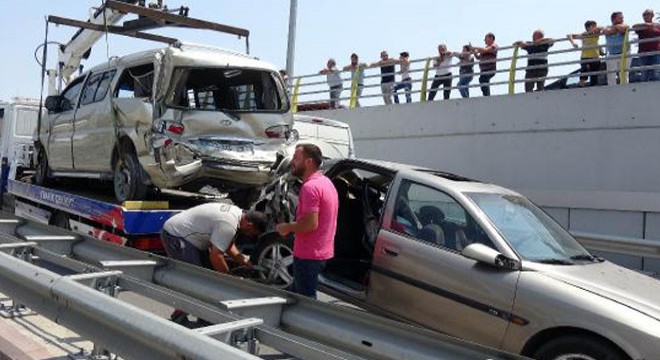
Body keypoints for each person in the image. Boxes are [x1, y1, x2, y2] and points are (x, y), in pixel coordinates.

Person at [161, 203, 267, 323]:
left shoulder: (237, 214)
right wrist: (229, 278)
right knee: (196, 279)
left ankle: (203, 315)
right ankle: (182, 315)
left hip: (189, 235)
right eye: (252, 233)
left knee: (206, 277)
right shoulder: (229, 223)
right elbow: (216, 256)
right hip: (176, 235)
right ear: (249, 224)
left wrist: (243, 260)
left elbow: (226, 244)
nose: (249, 236)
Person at [275, 144, 338, 299]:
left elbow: (310, 224)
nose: (292, 162)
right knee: (294, 294)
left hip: (308, 255)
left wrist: (287, 227)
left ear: (308, 162)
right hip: (321, 253)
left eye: (297, 158)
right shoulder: (326, 183)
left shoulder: (310, 187)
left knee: (306, 302)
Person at [568, 21, 604, 87]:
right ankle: (581, 84)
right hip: (585, 57)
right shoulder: (583, 35)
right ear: (587, 27)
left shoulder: (596, 33)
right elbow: (569, 35)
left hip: (595, 56)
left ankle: (593, 87)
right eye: (593, 26)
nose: (595, 27)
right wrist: (573, 43)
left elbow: (601, 27)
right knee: (585, 70)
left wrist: (590, 32)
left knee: (594, 75)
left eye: (595, 26)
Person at [633, 9, 660, 82]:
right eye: (644, 15)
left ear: (652, 16)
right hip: (644, 53)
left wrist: (652, 26)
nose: (646, 16)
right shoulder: (641, 27)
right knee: (645, 73)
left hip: (656, 52)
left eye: (648, 14)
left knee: (656, 73)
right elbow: (634, 27)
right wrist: (647, 25)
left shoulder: (657, 26)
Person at [603, 12, 630, 85]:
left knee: (624, 75)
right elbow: (606, 31)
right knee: (611, 75)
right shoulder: (607, 27)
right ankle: (613, 92)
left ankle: (625, 90)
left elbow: (624, 28)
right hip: (612, 54)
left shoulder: (625, 25)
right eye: (620, 18)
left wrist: (615, 28)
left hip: (624, 53)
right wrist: (617, 29)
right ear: (613, 19)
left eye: (622, 18)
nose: (622, 19)